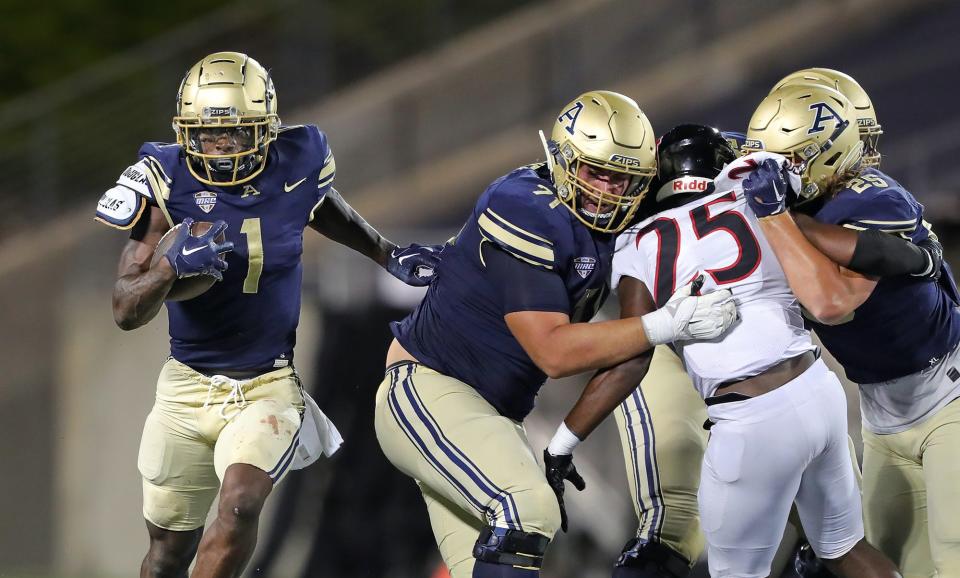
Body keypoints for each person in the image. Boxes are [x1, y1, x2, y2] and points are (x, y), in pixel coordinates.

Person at [94, 51, 442, 578]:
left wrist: (384, 252)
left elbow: (320, 203)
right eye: (209, 136)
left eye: (237, 133)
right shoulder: (163, 179)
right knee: (166, 554)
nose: (222, 148)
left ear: (267, 129)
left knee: (239, 506)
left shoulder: (298, 160)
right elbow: (124, 308)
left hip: (267, 384)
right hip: (186, 387)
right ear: (185, 133)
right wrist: (168, 266)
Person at [374, 91, 739, 578]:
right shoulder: (523, 205)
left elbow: (715, 158)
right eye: (596, 172)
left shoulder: (623, 210)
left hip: (497, 415)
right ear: (564, 161)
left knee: (504, 551)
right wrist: (666, 324)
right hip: (428, 387)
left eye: (623, 178)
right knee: (527, 508)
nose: (608, 191)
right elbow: (554, 353)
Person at [543, 122, 902, 578]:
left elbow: (633, 357)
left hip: (751, 420)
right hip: (816, 390)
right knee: (845, 549)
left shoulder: (640, 242)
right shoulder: (756, 199)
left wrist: (562, 443)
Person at [741, 76, 960, 578]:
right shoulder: (804, 206)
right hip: (884, 419)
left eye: (788, 162)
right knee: (899, 565)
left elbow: (830, 302)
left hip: (949, 400)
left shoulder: (871, 198)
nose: (777, 175)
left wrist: (777, 217)